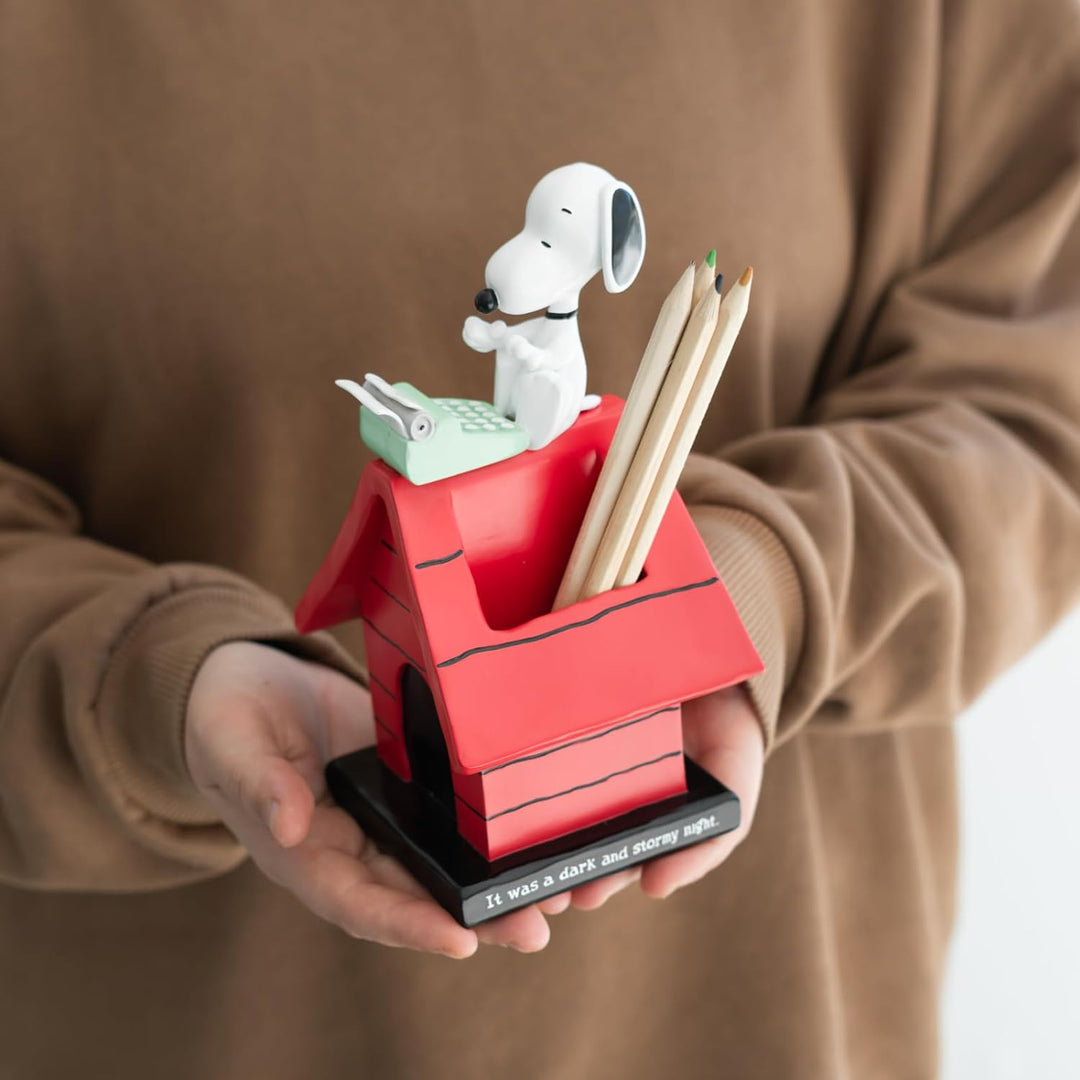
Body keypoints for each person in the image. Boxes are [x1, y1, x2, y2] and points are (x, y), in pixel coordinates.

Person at [1, 2, 1077, 1077]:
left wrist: (755, 580)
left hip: (763, 1020)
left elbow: (1031, 391)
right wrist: (148, 673)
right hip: (179, 1025)